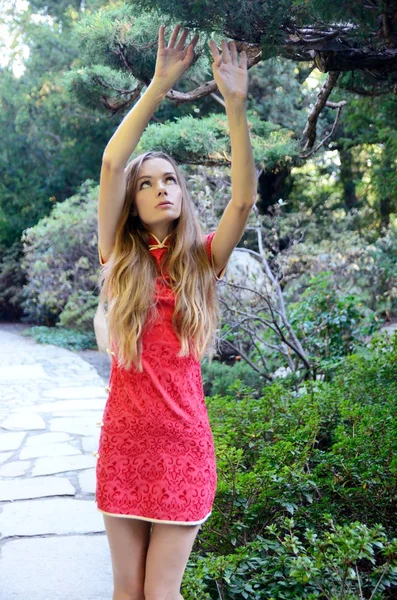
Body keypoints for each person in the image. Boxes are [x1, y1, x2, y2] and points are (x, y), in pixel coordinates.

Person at [95, 22, 257, 600]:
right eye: (148, 184)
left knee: (160, 594)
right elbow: (113, 164)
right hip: (125, 442)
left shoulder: (202, 262)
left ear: (183, 194)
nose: (161, 188)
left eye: (171, 180)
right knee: (126, 592)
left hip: (183, 447)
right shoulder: (118, 257)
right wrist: (160, 84)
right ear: (133, 206)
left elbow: (242, 199)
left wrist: (234, 105)